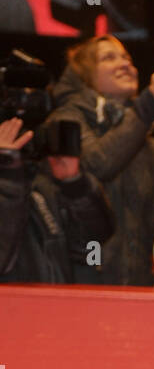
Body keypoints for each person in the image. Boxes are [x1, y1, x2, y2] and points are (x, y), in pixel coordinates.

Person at [43, 35, 154, 286]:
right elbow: (97, 164)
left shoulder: (150, 147)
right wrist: (150, 103)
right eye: (109, 57)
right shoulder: (65, 121)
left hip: (137, 288)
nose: (125, 64)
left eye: (127, 58)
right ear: (85, 74)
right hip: (78, 286)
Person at [0, 115, 115, 284]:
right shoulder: (11, 186)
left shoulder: (42, 187)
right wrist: (7, 176)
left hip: (58, 305)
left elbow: (92, 248)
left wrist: (74, 184)